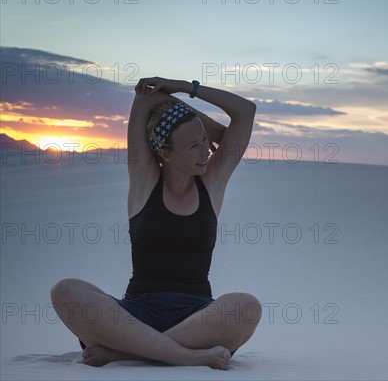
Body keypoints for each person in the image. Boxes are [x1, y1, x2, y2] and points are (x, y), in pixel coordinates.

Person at [50, 77, 260, 370]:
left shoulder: (212, 183)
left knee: (247, 307)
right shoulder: (143, 179)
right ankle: (184, 355)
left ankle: (128, 352)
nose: (206, 151)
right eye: (193, 146)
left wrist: (186, 88)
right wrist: (199, 120)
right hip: (135, 313)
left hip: (197, 317)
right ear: (164, 153)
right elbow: (145, 99)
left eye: (204, 141)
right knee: (66, 291)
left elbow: (245, 111)